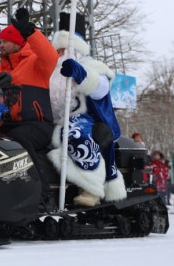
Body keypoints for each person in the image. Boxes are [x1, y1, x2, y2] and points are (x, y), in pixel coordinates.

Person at [45, 12, 126, 207]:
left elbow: (101, 90)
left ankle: (91, 187)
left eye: (68, 49)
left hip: (84, 118)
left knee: (75, 132)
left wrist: (81, 74)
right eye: (60, 49)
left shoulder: (92, 65)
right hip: (50, 119)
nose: (63, 53)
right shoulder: (49, 70)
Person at [0, 7, 58, 203]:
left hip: (37, 125)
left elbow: (50, 55)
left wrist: (30, 32)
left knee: (19, 141)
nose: (1, 45)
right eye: (0, 41)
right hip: (5, 125)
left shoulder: (35, 63)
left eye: (5, 41)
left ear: (18, 42)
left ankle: (41, 194)